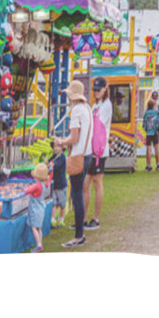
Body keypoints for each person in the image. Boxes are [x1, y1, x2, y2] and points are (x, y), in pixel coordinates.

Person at [54, 80, 93, 248]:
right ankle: (80, 231)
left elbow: (74, 138)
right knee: (79, 194)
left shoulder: (76, 110)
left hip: (78, 156)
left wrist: (61, 141)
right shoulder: (87, 109)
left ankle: (78, 235)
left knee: (76, 196)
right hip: (87, 155)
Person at [83, 76, 112, 231]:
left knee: (96, 182)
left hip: (99, 151)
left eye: (98, 89)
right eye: (94, 90)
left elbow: (98, 126)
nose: (96, 92)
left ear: (104, 89)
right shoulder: (95, 105)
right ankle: (84, 217)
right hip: (91, 149)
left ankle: (95, 218)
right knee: (85, 183)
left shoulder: (106, 106)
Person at [24, 162, 52, 252]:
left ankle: (38, 245)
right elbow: (50, 177)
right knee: (39, 227)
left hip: (34, 209)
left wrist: (26, 188)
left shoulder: (36, 186)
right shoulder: (45, 184)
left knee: (33, 227)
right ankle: (41, 243)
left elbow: (27, 191)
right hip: (41, 208)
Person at [49, 141, 67, 227]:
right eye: (54, 147)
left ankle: (61, 219)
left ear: (62, 148)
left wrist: (50, 165)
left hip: (61, 184)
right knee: (54, 203)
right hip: (54, 183)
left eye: (58, 147)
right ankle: (52, 219)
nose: (55, 148)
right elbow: (49, 162)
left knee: (62, 203)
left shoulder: (62, 157)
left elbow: (56, 166)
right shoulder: (54, 156)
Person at [142, 98, 159, 171]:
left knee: (148, 149)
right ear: (153, 106)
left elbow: (144, 125)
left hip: (148, 133)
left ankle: (148, 165)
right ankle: (158, 164)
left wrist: (147, 129)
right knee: (156, 148)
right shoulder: (155, 113)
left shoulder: (146, 114)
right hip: (155, 132)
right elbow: (158, 123)